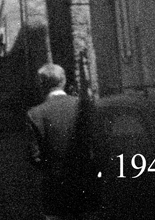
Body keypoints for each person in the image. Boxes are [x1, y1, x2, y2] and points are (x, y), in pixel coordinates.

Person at [25, 63, 99, 220]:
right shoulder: (85, 106)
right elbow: (98, 144)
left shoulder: (35, 114)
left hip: (55, 192)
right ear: (63, 81)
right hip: (85, 187)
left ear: (41, 85)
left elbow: (34, 156)